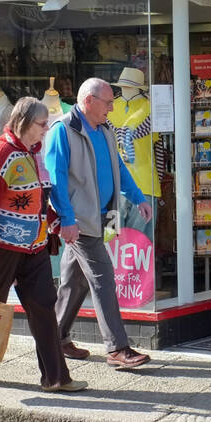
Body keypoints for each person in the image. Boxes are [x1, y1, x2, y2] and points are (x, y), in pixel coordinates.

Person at [0, 96, 85, 392]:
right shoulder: (1, 152)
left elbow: (38, 199)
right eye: (42, 124)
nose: (45, 130)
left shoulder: (32, 152)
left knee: (44, 308)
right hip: (2, 249)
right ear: (24, 123)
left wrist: (56, 223)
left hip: (34, 248)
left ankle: (56, 378)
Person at [46, 78, 154, 369]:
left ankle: (55, 337)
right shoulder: (64, 130)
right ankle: (117, 347)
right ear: (89, 101)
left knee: (75, 281)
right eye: (108, 102)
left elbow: (118, 167)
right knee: (103, 278)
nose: (112, 107)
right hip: (81, 221)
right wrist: (66, 220)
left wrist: (139, 198)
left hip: (106, 215)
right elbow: (55, 181)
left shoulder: (105, 129)